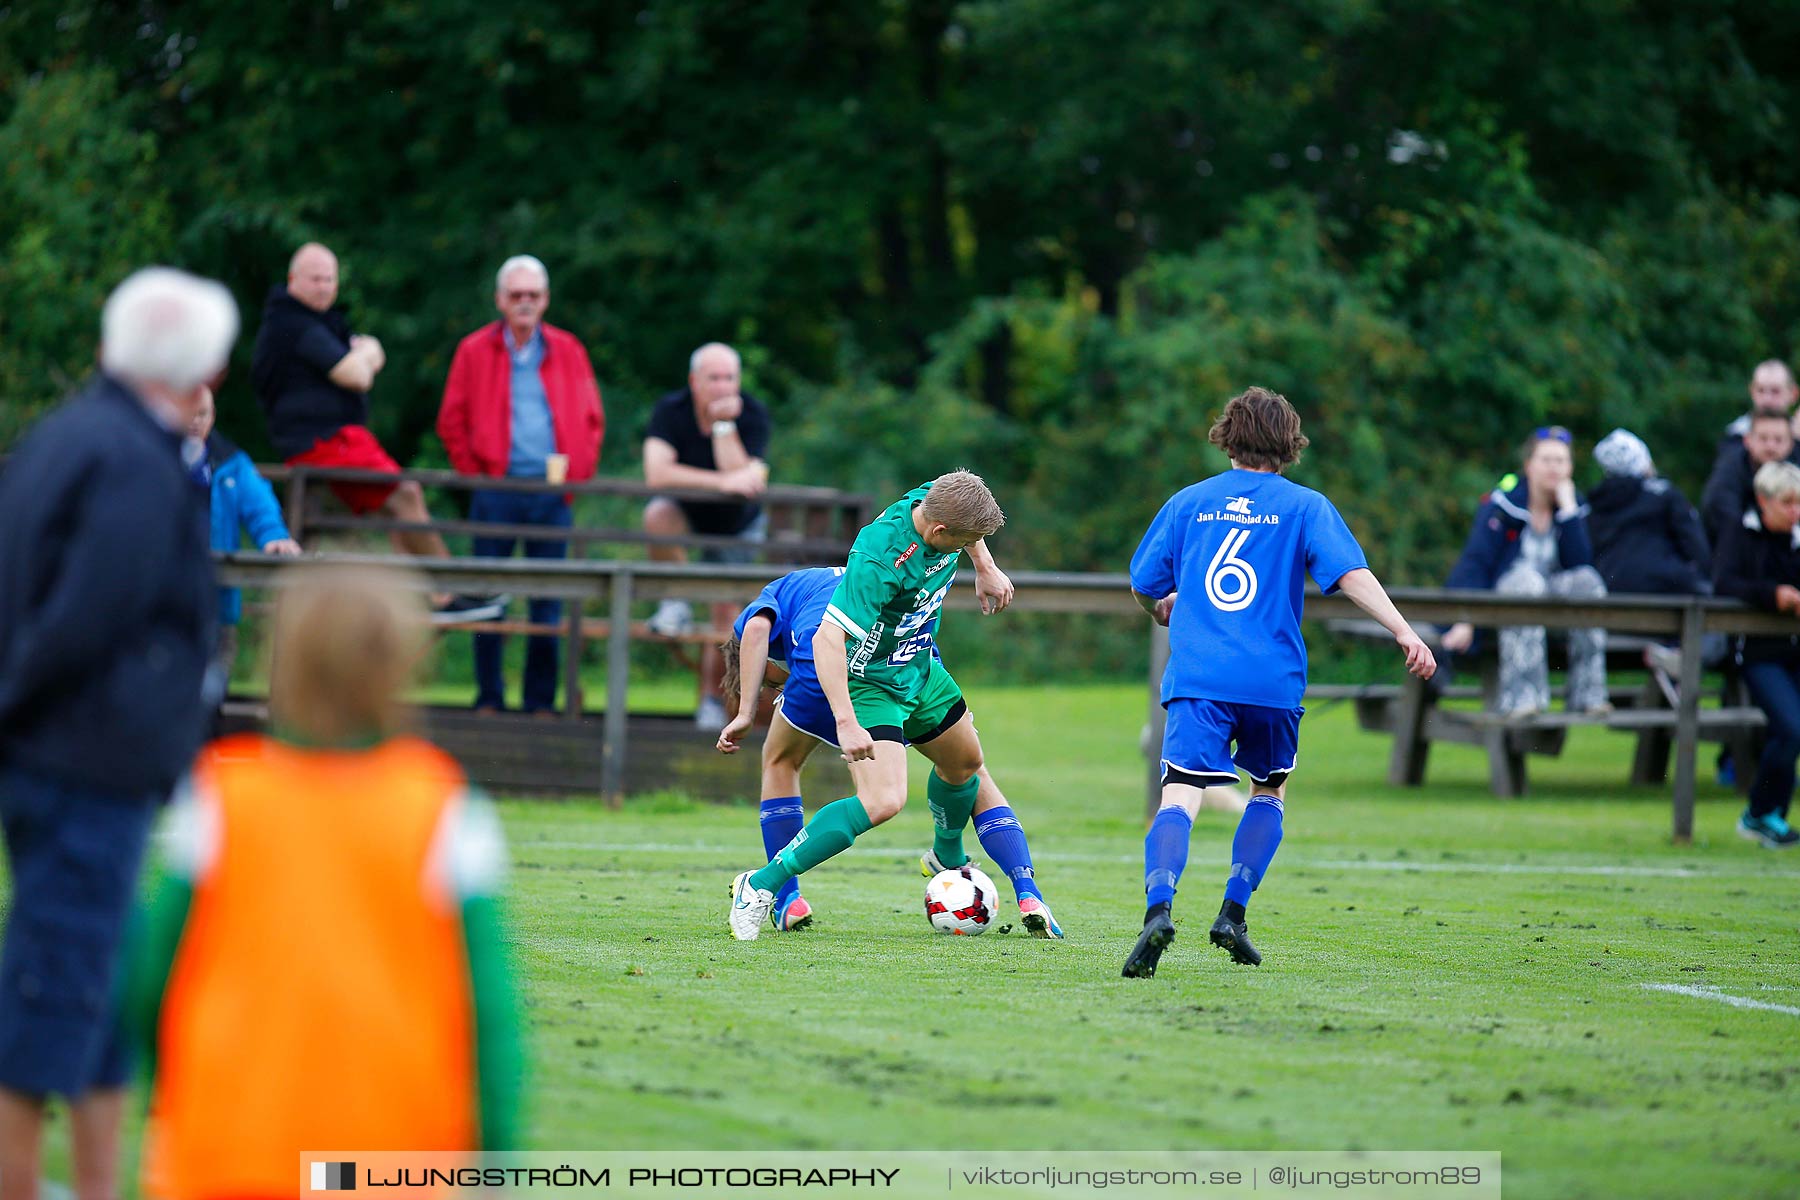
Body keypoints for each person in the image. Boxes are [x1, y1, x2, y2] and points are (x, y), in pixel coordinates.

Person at [121, 564, 525, 1198]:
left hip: (227, 1150)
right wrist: (495, 1159)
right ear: (401, 667)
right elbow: (488, 1014)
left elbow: (149, 984)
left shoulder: (219, 798)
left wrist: (167, 1096)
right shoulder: (444, 807)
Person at [0, 267, 236, 1200]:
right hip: (83, 757)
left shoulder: (64, 436)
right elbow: (87, 617)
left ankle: (98, 1187)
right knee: (52, 985)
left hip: (62, 753)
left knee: (93, 986)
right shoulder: (133, 461)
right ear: (199, 364)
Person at [1121, 387, 1436, 978]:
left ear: (1227, 436)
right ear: (1289, 444)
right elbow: (1351, 573)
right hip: (1271, 682)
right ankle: (1232, 915)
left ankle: (1158, 910)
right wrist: (1404, 631)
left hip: (1200, 678)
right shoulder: (1305, 506)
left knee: (1179, 797)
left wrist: (1158, 606)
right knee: (1268, 792)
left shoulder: (1190, 502)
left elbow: (1143, 579)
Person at [724, 472, 1023, 941]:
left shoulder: (935, 499)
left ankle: (946, 855)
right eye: (967, 542)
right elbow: (828, 638)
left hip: (919, 666)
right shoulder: (879, 559)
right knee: (883, 801)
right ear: (939, 533)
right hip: (871, 682)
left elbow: (956, 506)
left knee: (966, 762)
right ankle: (760, 886)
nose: (970, 547)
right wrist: (845, 722)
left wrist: (984, 565)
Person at [250, 241, 502, 622]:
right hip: (320, 443)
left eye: (330, 279)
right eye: (315, 279)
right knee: (404, 494)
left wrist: (365, 356)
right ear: (293, 280)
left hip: (337, 439)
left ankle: (437, 597)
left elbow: (364, 363)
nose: (323, 287)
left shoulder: (315, 322)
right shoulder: (292, 323)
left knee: (396, 505)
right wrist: (367, 353)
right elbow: (356, 374)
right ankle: (448, 592)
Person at [438, 254, 606, 714]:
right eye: (517, 295)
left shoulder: (567, 349)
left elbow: (592, 419)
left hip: (551, 494)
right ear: (500, 300)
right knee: (486, 598)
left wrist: (576, 476)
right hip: (496, 490)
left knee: (547, 601)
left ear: (545, 299)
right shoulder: (474, 349)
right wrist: (478, 474)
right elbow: (452, 420)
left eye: (533, 295)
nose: (525, 302)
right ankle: (489, 697)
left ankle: (539, 703)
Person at [641, 342, 772, 729]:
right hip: (687, 516)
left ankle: (712, 701)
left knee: (724, 613)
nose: (722, 386)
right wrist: (722, 481)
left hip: (737, 526)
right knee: (657, 513)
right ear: (694, 381)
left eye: (729, 377)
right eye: (713, 378)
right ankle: (676, 600)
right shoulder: (670, 410)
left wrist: (722, 425)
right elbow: (657, 475)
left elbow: (744, 486)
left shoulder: (752, 414)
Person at [1441, 426, 1609, 718]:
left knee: (1589, 581)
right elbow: (1476, 561)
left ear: (1569, 467)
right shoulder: (1503, 505)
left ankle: (1588, 695)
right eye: (1546, 460)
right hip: (1507, 598)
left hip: (1554, 606)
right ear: (1529, 465)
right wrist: (1464, 617)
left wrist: (1568, 511)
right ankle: (1523, 699)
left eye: (1561, 461)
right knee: (1526, 580)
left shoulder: (1575, 507)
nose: (1554, 467)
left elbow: (1580, 563)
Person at [188, 385, 302, 709]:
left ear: (213, 415)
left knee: (212, 696)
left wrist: (274, 537)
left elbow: (260, 506)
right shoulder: (149, 455)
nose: (196, 421)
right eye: (190, 413)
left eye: (203, 414)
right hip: (163, 603)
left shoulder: (231, 463)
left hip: (217, 606)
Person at [1710, 461, 1800, 849]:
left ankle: (1767, 816)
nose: (1795, 512)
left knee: (1789, 733)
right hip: (1758, 652)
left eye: (1799, 503)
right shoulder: (1741, 532)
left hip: (1796, 652)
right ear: (1764, 501)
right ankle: (1761, 813)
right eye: (1787, 503)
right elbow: (1723, 582)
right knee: (1792, 729)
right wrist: (1772, 595)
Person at [1587, 428, 1710, 596]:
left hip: (1611, 590)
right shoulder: (1664, 494)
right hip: (1666, 588)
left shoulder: (1596, 503)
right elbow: (1696, 544)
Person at [1702, 410, 1794, 549]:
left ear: (1791, 443)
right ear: (1747, 440)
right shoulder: (1728, 474)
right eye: (1763, 438)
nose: (1770, 446)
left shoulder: (1795, 472)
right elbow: (1726, 525)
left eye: (1778, 439)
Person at [1715, 359, 1799, 459]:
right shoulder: (1735, 436)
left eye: (1775, 391)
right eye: (1761, 390)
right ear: (1752, 392)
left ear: (1793, 394)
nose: (1767, 399)